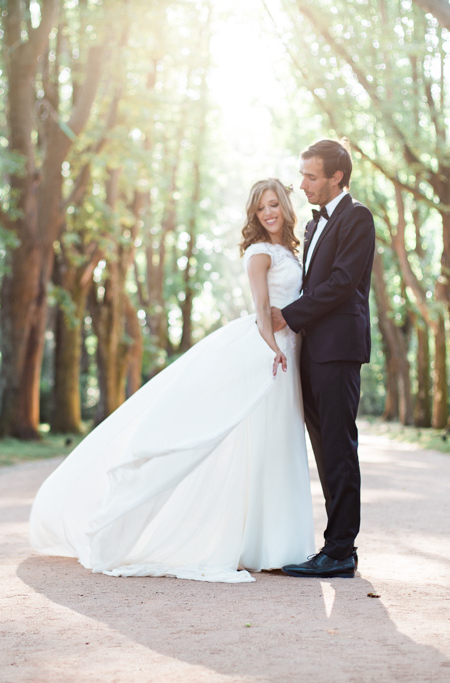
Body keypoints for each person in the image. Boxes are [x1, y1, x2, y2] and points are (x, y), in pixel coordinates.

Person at [29, 179, 315, 583]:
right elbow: (260, 308)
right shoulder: (260, 253)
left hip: (290, 352)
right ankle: (254, 544)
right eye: (260, 208)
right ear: (253, 215)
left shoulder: (289, 250)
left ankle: (276, 545)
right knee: (258, 439)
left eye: (273, 205)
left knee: (279, 443)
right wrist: (274, 351)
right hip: (270, 356)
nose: (268, 213)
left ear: (285, 206)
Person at [271, 139, 375, 579]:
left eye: (311, 176)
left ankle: (341, 551)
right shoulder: (314, 227)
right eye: (303, 175)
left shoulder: (358, 218)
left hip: (338, 351)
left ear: (337, 177)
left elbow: (340, 284)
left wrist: (287, 316)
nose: (303, 184)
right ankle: (334, 547)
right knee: (323, 448)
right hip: (311, 350)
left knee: (338, 447)